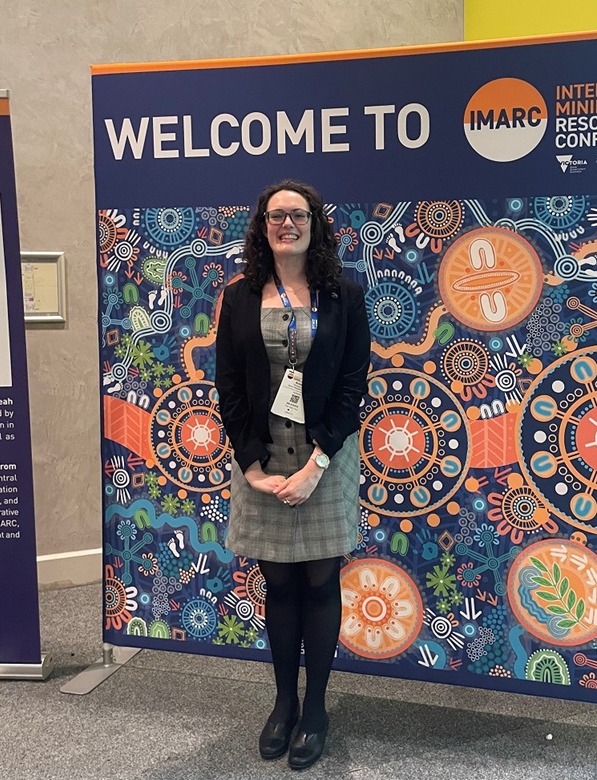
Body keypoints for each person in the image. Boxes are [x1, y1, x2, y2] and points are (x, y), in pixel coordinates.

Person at [215, 179, 370, 769]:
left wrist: (316, 464)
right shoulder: (238, 296)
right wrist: (250, 464)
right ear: (262, 226)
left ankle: (317, 709)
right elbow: (229, 384)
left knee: (320, 583)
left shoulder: (344, 295)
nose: (287, 223)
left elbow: (352, 387)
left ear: (315, 223)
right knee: (277, 584)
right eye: (276, 215)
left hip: (325, 460)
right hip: (261, 461)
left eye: (298, 214)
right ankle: (284, 702)